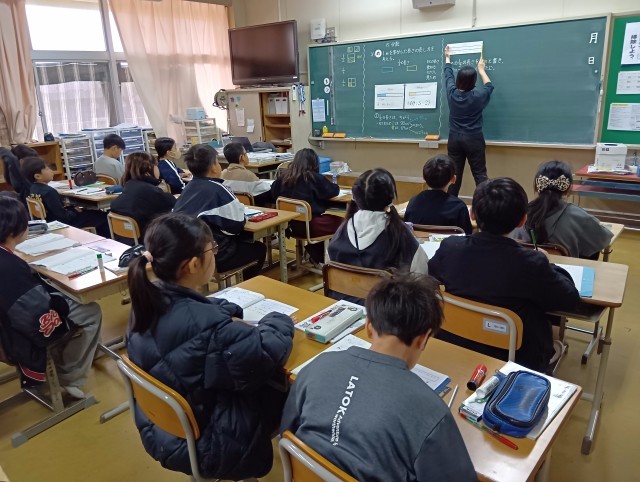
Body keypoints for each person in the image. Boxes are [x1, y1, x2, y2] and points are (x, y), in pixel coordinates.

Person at [126, 212, 294, 480]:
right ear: (194, 264)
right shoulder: (212, 330)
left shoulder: (146, 301)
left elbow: (192, 321)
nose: (215, 253)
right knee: (289, 385)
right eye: (212, 248)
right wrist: (279, 319)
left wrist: (220, 309)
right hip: (213, 442)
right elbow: (266, 351)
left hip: (161, 429)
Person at [280, 272, 476, 481]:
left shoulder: (318, 366)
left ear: (368, 326)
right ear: (424, 338)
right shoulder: (431, 412)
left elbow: (287, 431)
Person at [428, 177, 581, 372]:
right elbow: (570, 299)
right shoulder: (531, 263)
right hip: (516, 356)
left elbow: (432, 273)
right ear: (523, 220)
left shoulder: (450, 248)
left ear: (472, 214)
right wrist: (549, 263)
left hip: (456, 341)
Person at [0, 194, 101, 398]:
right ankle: (69, 377)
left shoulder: (7, 258)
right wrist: (59, 302)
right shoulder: (10, 266)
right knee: (91, 312)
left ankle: (68, 360)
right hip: (13, 337)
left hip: (6, 327)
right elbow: (37, 313)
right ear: (13, 230)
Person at [327, 169, 428, 302]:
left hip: (342, 304)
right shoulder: (399, 233)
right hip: (384, 310)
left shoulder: (341, 232)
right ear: (390, 198)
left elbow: (330, 269)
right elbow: (421, 277)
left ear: (355, 197)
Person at [173, 144, 266, 279]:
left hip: (188, 253)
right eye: (217, 162)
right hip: (215, 254)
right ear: (213, 167)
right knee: (259, 248)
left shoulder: (187, 189)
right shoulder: (218, 189)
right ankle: (246, 286)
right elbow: (237, 225)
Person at [512, 160, 613, 259]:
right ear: (568, 188)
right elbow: (601, 241)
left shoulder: (518, 214)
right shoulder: (579, 217)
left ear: (537, 185)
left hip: (524, 268)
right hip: (562, 269)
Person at [270, 148, 341, 264]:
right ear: (314, 163)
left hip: (289, 226)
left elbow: (273, 194)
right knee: (343, 223)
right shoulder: (314, 178)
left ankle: (314, 253)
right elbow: (334, 191)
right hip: (310, 227)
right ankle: (318, 254)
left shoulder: (282, 178)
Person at [444, 45, 494, 196]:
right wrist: (481, 70)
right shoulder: (478, 96)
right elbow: (489, 86)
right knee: (480, 174)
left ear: (458, 80)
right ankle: (484, 203)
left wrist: (447, 58)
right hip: (473, 139)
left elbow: (448, 75)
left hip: (454, 138)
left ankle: (450, 204)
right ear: (473, 82)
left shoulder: (452, 93)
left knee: (454, 174)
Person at [22, 157, 110, 238]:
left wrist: (70, 207)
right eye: (47, 169)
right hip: (60, 224)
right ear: (38, 176)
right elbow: (64, 217)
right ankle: (108, 241)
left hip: (47, 221)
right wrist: (75, 210)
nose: (51, 171)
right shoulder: (49, 192)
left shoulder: (33, 189)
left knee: (90, 212)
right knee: (102, 216)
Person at [110, 151, 176, 239]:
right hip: (149, 238)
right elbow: (173, 204)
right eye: (156, 165)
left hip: (125, 239)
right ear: (149, 167)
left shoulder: (130, 185)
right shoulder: (151, 191)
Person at [404, 155, 473, 234]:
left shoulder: (413, 201)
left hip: (419, 242)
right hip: (448, 242)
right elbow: (467, 236)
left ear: (424, 177)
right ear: (454, 179)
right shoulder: (459, 207)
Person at [221, 142, 272, 206]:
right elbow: (266, 188)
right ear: (242, 157)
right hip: (249, 208)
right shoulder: (248, 175)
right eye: (245, 153)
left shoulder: (222, 174)